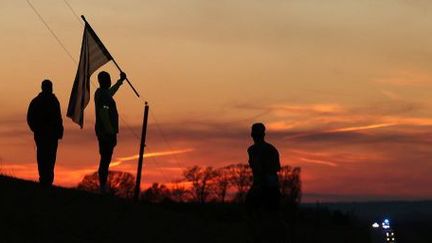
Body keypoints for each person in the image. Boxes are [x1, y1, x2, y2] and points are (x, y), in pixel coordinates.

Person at [246, 122, 284, 243]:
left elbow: (271, 170)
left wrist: (260, 185)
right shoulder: (264, 150)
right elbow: (276, 168)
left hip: (266, 187)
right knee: (270, 218)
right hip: (266, 186)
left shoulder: (258, 150)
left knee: (268, 218)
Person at [27, 80, 63, 187]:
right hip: (45, 135)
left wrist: (59, 131)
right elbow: (30, 118)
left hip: (48, 135)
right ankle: (45, 180)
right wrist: (36, 129)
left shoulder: (40, 101)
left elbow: (58, 118)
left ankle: (46, 180)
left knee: (45, 157)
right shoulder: (49, 101)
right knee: (47, 157)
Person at [94, 71, 126, 192]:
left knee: (106, 158)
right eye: (108, 79)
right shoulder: (102, 96)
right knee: (105, 159)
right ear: (103, 81)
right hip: (106, 132)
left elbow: (111, 92)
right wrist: (109, 132)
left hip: (107, 131)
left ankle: (103, 185)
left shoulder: (103, 93)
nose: (109, 81)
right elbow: (104, 113)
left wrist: (120, 81)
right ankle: (102, 186)